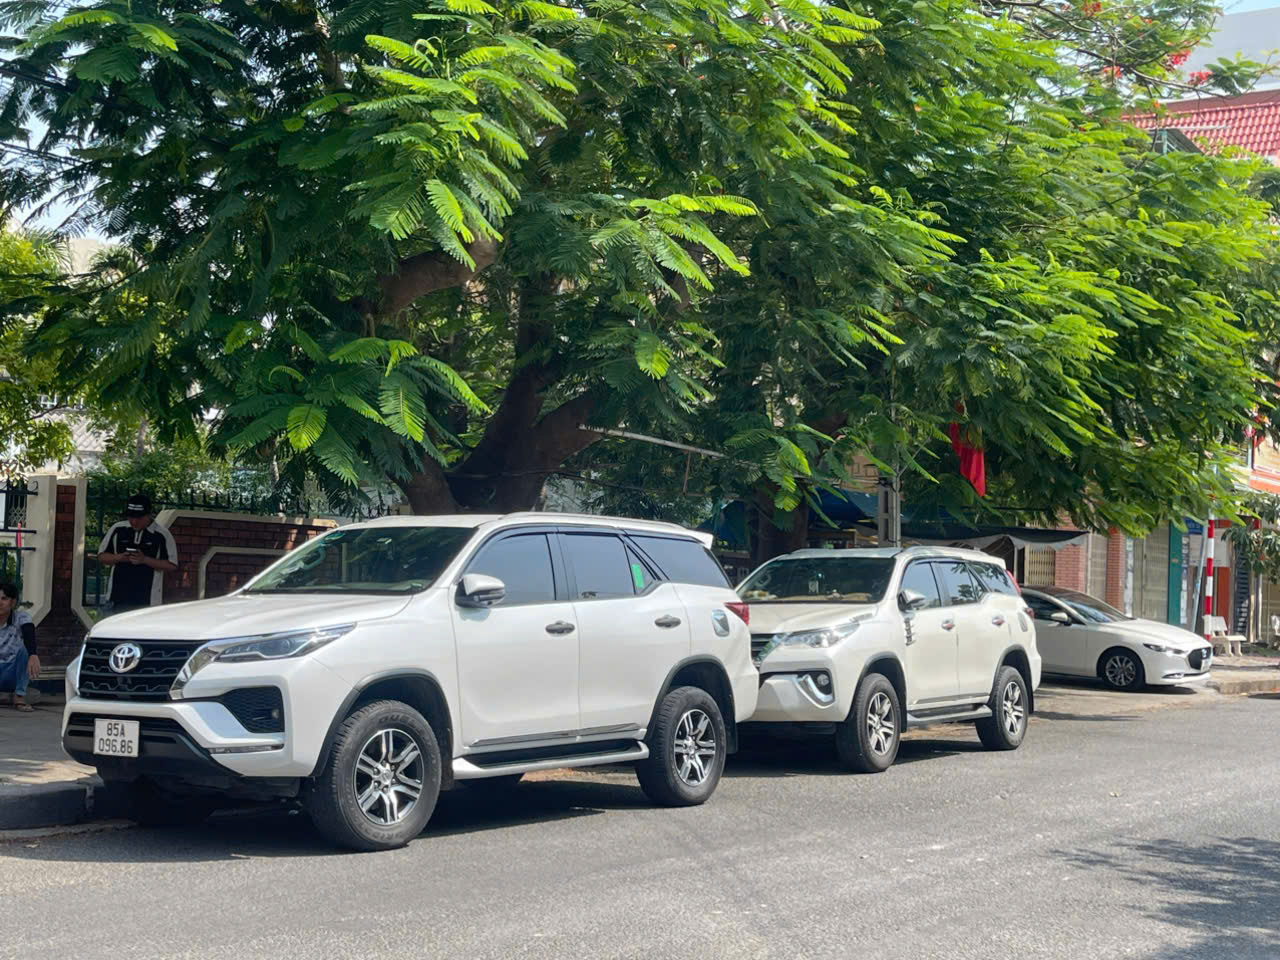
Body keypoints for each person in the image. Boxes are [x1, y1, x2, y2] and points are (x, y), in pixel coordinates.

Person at [96, 493, 179, 614]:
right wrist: (120, 558)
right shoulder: (118, 529)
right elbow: (102, 556)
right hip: (117, 598)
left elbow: (172, 565)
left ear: (149, 515)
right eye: (130, 517)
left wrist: (144, 560)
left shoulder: (162, 534)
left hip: (148, 601)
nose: (134, 521)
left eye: (139, 518)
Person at [0, 581, 39, 712]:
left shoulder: (20, 617)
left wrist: (33, 655)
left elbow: (29, 632)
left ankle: (19, 697)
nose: (0, 602)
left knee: (25, 650)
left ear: (13, 602)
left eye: (4, 598)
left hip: (11, 673)